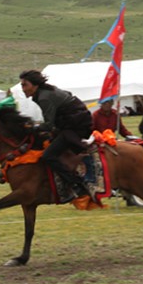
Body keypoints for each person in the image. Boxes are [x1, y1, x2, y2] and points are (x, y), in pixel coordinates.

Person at [19, 69, 96, 199]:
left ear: (35, 85)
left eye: (25, 85)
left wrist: (32, 127)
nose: (23, 89)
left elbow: (49, 125)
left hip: (75, 127)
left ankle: (76, 184)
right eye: (22, 85)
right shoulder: (45, 91)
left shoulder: (44, 97)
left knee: (47, 156)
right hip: (73, 123)